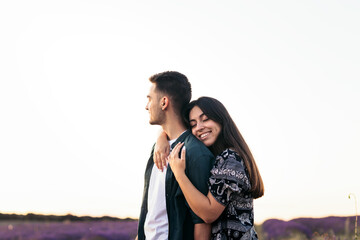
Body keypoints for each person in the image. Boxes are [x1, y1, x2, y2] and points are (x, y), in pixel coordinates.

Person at [154, 96, 264, 240]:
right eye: (193, 124)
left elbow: (208, 214)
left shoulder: (230, 158)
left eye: (205, 119)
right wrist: (162, 136)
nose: (199, 127)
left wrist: (179, 173)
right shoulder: (216, 156)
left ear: (221, 119)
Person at [136, 72, 215, 240]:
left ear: (164, 102)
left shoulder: (195, 153)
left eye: (149, 99)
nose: (146, 106)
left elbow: (202, 222)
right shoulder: (157, 148)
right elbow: (152, 212)